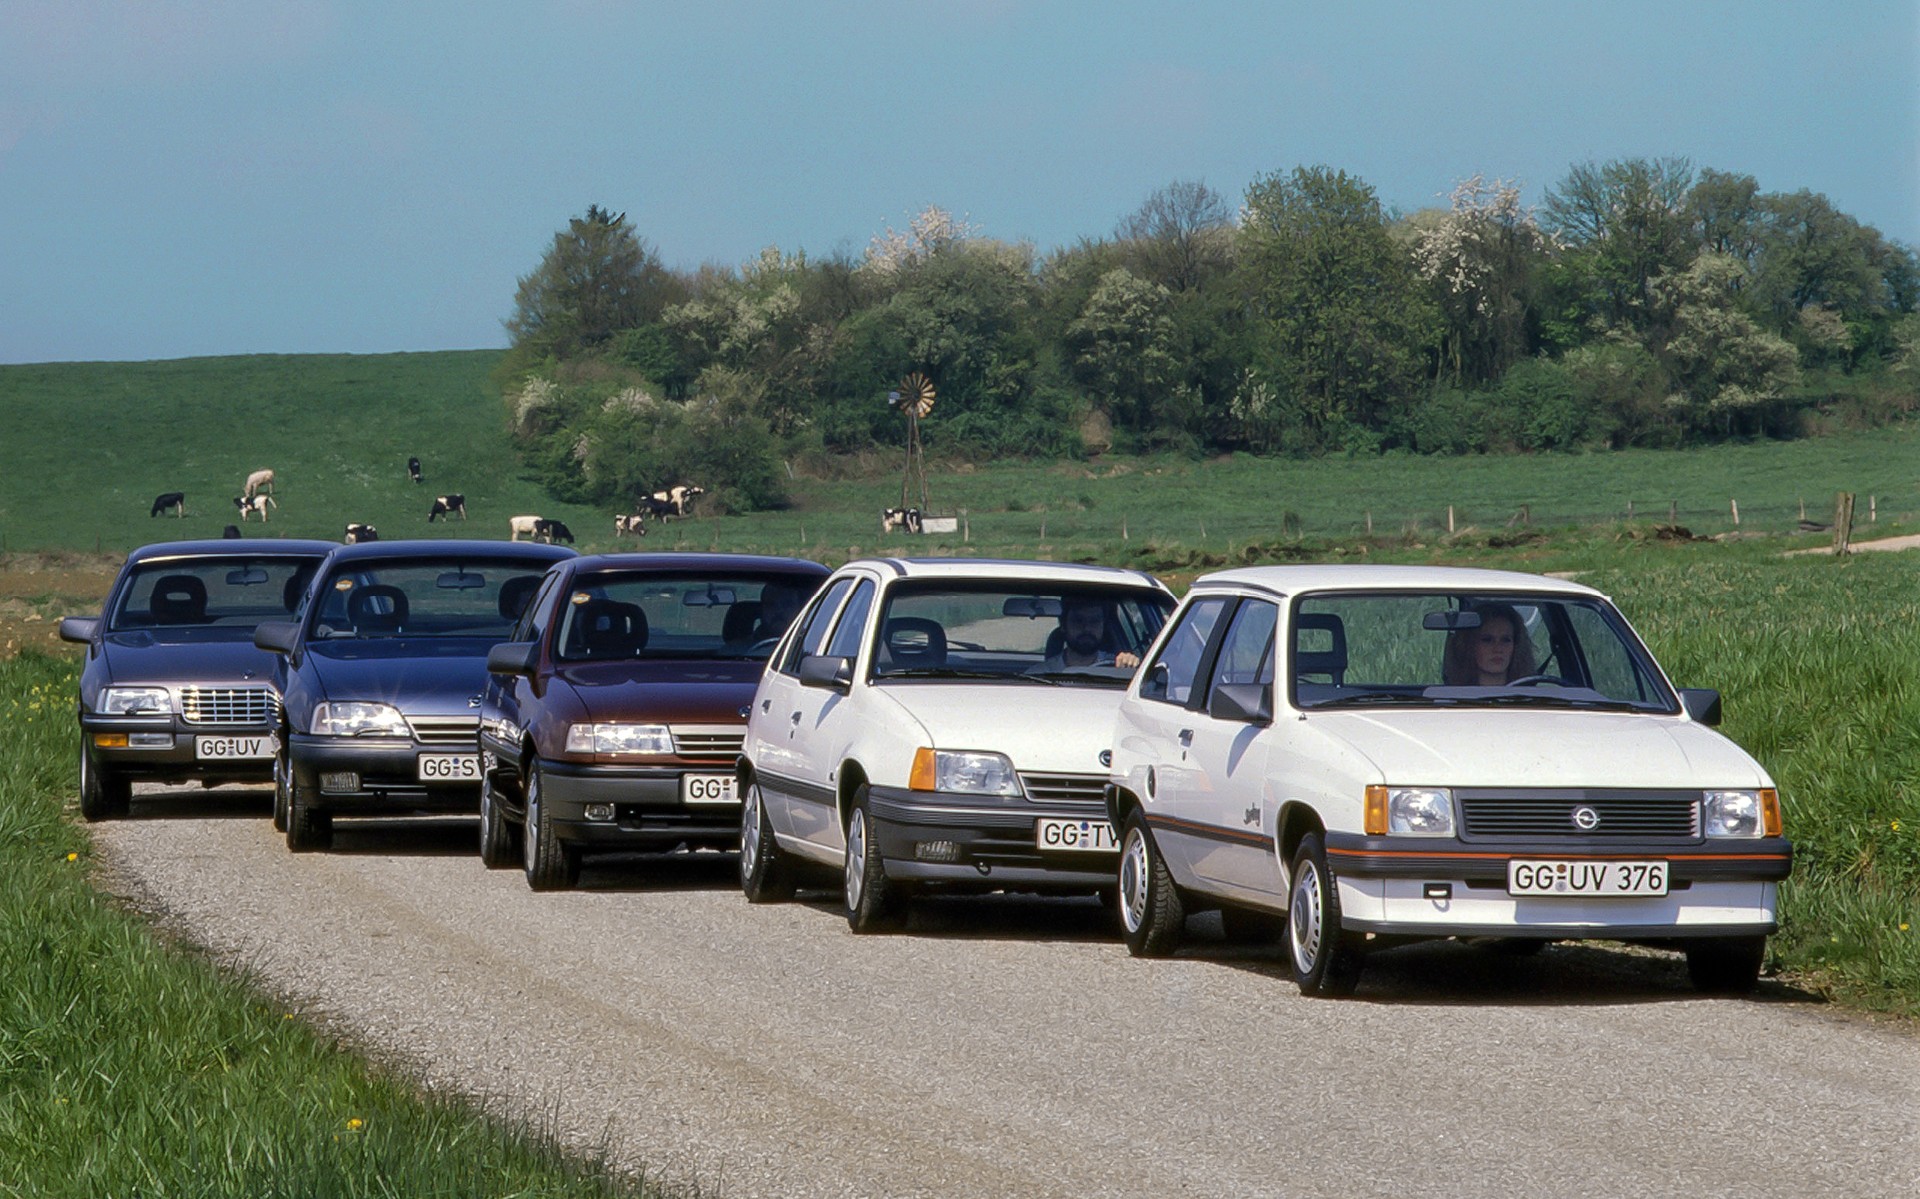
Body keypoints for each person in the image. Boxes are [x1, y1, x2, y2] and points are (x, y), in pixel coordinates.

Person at [1442, 603, 1537, 686]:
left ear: (1516, 646)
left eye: (1505, 640)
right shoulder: (1453, 700)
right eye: (1487, 640)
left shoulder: (1535, 701)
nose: (1498, 649)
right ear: (1469, 645)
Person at [1036, 597, 1140, 672]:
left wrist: (1132, 666)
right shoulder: (1040, 674)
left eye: (1094, 621)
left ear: (1103, 626)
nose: (1087, 628)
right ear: (1063, 625)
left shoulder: (1119, 668)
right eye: (1078, 621)